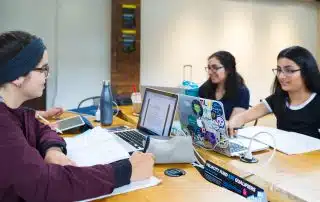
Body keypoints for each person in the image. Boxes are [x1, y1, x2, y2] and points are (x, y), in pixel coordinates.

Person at [0, 30, 154, 202]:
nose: (47, 75)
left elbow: (40, 128)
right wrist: (126, 171)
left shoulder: (13, 112)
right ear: (17, 76)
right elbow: (46, 184)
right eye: (43, 69)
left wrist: (53, 150)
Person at [229, 46, 320, 139]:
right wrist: (232, 123)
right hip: (283, 153)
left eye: (289, 70)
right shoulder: (278, 98)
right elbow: (242, 117)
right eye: (279, 70)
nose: (281, 76)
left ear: (307, 72)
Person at [198, 51, 250, 120]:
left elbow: (234, 124)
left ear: (228, 69)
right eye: (209, 68)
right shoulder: (204, 88)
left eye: (215, 68)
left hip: (229, 130)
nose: (210, 72)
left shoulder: (241, 92)